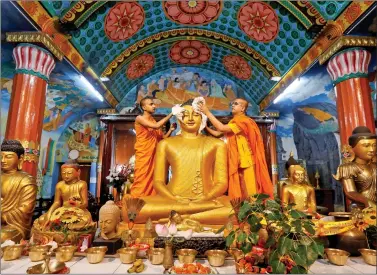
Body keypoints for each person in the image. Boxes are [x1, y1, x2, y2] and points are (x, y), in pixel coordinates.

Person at [126, 99, 233, 224]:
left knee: (235, 210)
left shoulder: (217, 144)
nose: (191, 119)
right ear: (178, 118)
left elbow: (221, 182)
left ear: (203, 118)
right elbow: (158, 182)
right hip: (172, 200)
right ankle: (196, 215)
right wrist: (174, 199)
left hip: (207, 199)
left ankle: (184, 218)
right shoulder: (165, 144)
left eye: (196, 115)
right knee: (134, 210)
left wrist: (206, 198)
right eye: (185, 115)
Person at [199, 98, 273, 199]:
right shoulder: (234, 122)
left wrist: (207, 112)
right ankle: (244, 211)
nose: (232, 105)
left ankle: (255, 212)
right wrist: (204, 127)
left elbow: (221, 128)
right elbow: (217, 134)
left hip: (247, 161)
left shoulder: (244, 121)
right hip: (238, 161)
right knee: (242, 190)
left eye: (236, 104)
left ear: (242, 108)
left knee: (251, 191)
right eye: (232, 103)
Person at [130, 96, 176, 197]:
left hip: (154, 155)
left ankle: (152, 200)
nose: (154, 106)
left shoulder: (153, 121)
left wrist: (171, 130)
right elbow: (156, 127)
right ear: (144, 107)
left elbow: (162, 138)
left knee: (154, 178)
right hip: (144, 154)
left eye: (154, 104)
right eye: (151, 104)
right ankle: (137, 200)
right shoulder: (139, 118)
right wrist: (171, 114)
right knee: (142, 177)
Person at [33, 159, 95, 232]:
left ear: (78, 172)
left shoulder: (82, 184)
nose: (66, 176)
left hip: (78, 211)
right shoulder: (60, 185)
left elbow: (85, 203)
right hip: (62, 211)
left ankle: (62, 230)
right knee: (42, 219)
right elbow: (57, 202)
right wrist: (49, 213)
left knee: (83, 221)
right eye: (63, 173)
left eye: (69, 173)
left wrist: (76, 206)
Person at [1, 140, 37, 242]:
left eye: (8, 157)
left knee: (2, 236)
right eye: (1, 156)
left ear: (20, 158)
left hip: (14, 225)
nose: (3, 160)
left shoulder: (26, 180)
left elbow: (25, 209)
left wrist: (3, 216)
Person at [334, 126, 376, 208]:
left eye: (374, 145)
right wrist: (367, 201)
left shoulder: (375, 165)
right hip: (361, 207)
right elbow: (350, 191)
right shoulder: (348, 168)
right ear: (352, 148)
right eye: (366, 145)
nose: (372, 149)